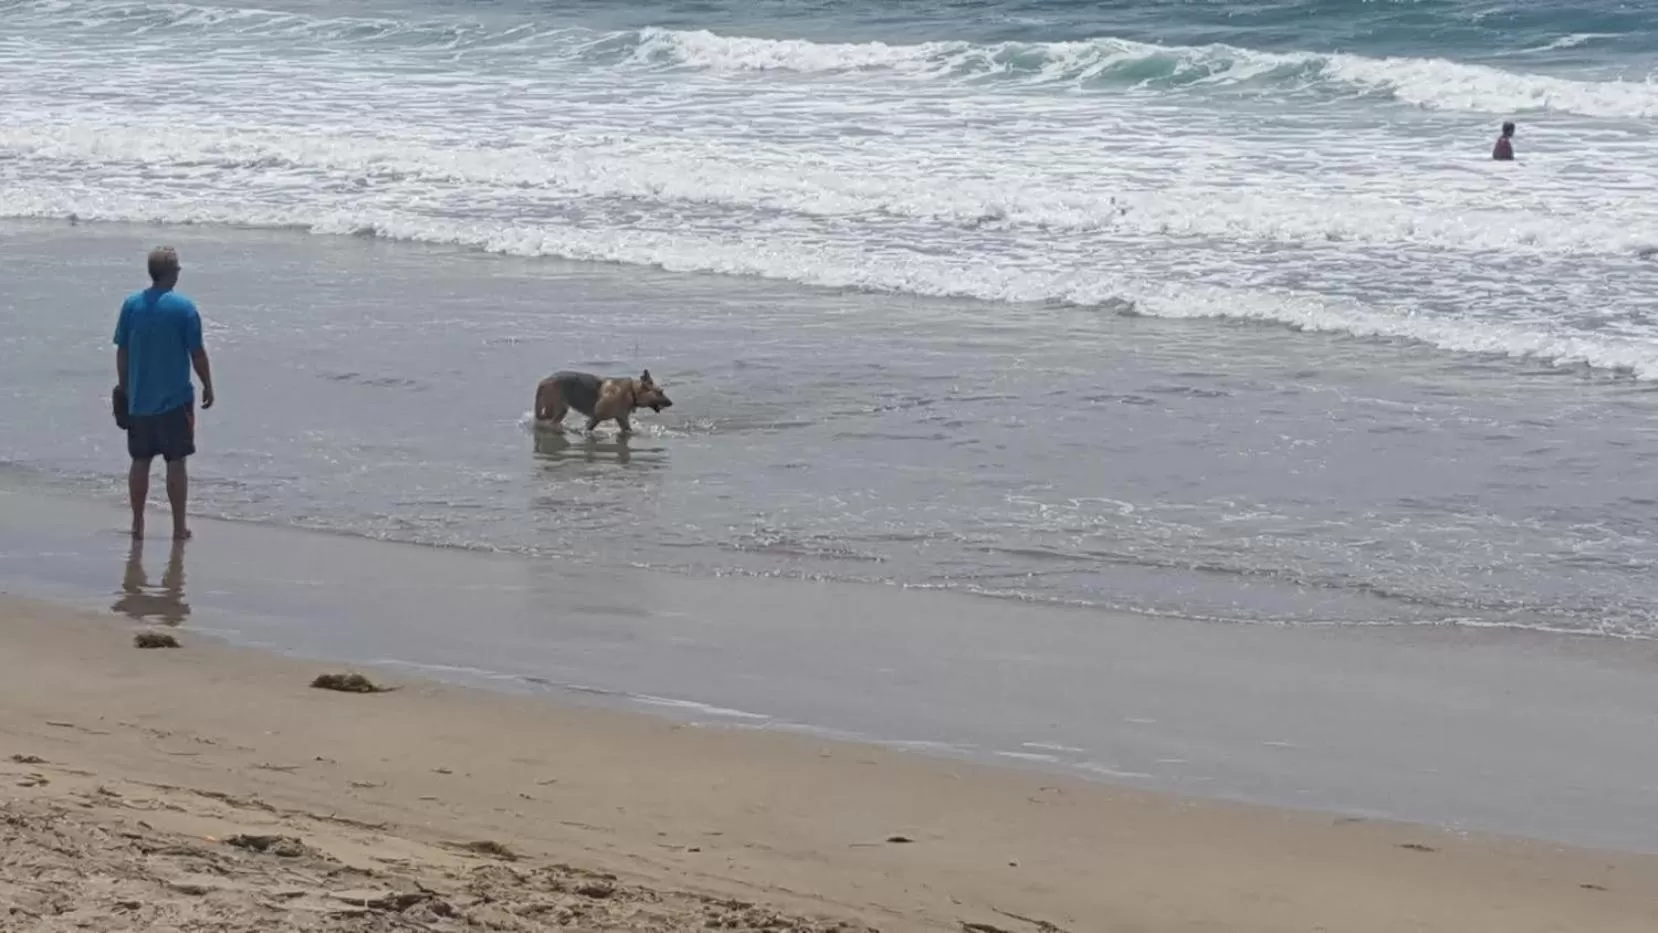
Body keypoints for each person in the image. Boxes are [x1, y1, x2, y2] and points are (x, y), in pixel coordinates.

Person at [113, 247, 215, 540]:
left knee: (140, 461)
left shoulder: (131, 305)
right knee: (176, 461)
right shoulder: (184, 308)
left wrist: (124, 387)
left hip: (139, 400)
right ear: (172, 273)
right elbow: (197, 354)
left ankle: (137, 524)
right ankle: (178, 526)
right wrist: (208, 384)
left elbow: (122, 350)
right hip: (175, 401)